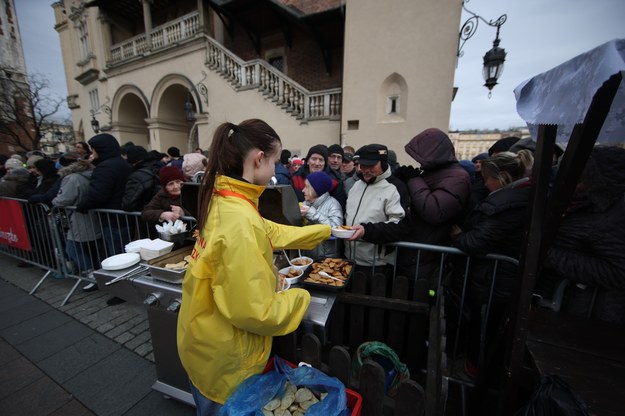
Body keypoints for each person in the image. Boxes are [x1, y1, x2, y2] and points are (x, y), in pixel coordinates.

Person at [176, 119, 330, 414]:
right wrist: (302, 297)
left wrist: (325, 231)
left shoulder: (226, 199)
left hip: (200, 340)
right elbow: (256, 312)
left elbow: (270, 231)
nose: (275, 169)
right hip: (225, 359)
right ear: (259, 158)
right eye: (275, 161)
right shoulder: (240, 220)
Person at [449, 150, 534, 380]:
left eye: (487, 178)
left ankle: (475, 374)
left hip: (495, 280)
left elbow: (477, 241)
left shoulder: (507, 203)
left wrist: (459, 236)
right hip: (495, 278)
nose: (484, 183)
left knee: (485, 329)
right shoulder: (519, 197)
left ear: (503, 177)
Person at [352, 128, 470, 281]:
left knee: (419, 298)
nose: (418, 162)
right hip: (410, 254)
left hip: (424, 257)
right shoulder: (433, 174)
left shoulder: (457, 178)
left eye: (421, 157)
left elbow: (433, 212)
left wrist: (413, 180)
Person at [538, 146, 625, 324]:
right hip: (571, 300)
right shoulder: (590, 202)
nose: (573, 183)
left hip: (595, 311)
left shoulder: (614, 213)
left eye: (580, 175)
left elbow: (619, 272)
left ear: (597, 177)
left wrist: (549, 253)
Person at [345, 144, 406, 275]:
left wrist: (366, 231)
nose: (365, 170)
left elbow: (399, 227)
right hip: (349, 260)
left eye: (371, 166)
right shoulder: (356, 186)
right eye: (362, 165)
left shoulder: (395, 187)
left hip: (377, 266)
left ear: (383, 163)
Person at [52, 158, 101, 282]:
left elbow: (64, 199)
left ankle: (91, 275)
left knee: (72, 248)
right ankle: (95, 273)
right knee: (89, 249)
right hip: (89, 216)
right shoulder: (90, 175)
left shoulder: (72, 178)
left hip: (79, 217)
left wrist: (54, 201)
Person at [300, 171, 343, 259]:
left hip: (327, 258)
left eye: (307, 187)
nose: (303, 190)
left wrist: (311, 213)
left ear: (316, 189)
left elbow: (336, 228)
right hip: (307, 256)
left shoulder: (333, 204)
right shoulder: (305, 203)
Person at [292, 144, 347, 209]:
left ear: (325, 163)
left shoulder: (334, 181)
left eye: (321, 160)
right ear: (307, 161)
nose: (317, 163)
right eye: (314, 159)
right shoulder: (296, 178)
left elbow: (339, 207)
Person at [122, 146, 161, 212]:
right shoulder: (158, 168)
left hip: (145, 215)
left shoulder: (137, 176)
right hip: (159, 213)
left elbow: (128, 204)